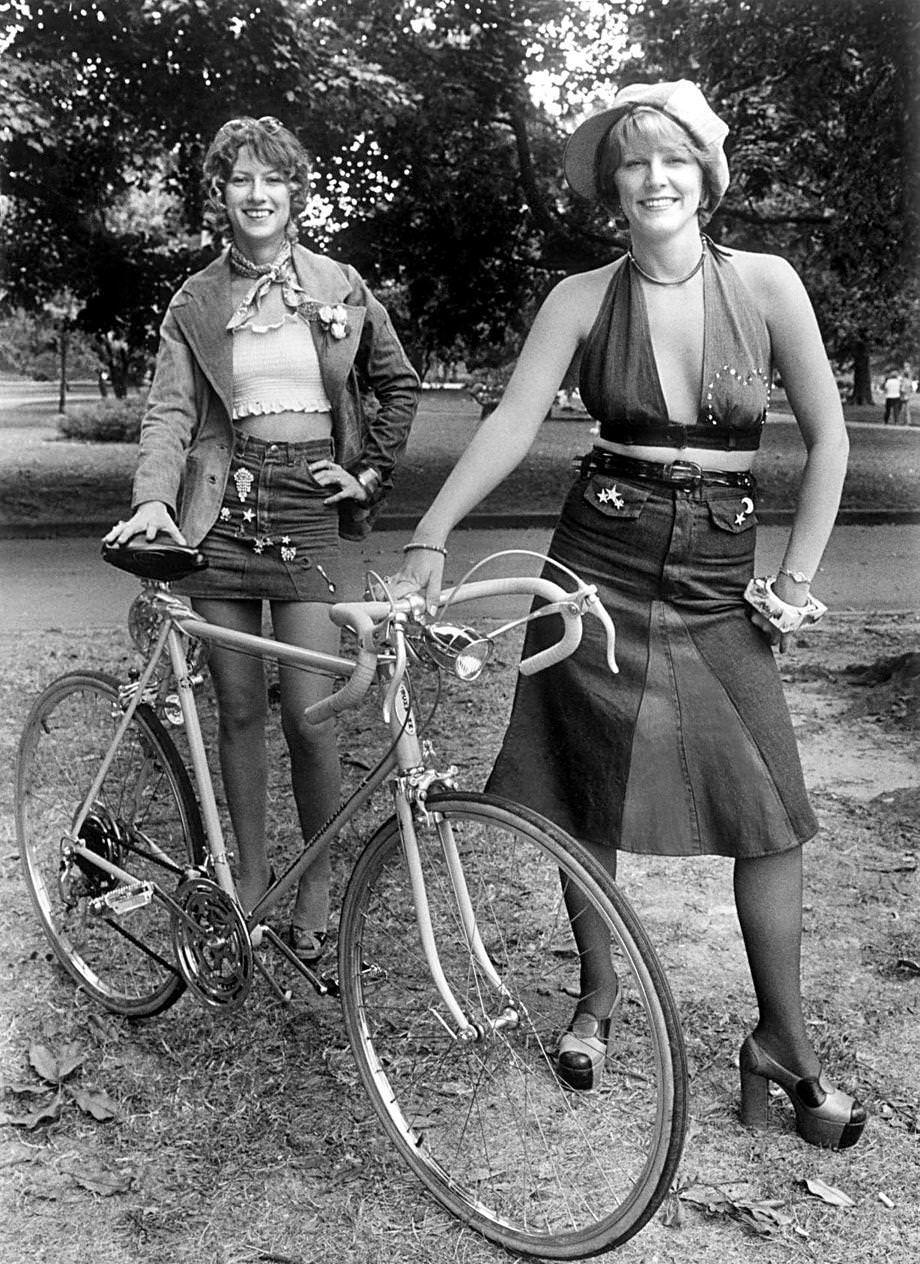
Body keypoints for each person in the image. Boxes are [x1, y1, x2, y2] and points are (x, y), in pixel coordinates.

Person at [396, 81, 865, 1149]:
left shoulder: (768, 284)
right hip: (596, 550)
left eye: (673, 159)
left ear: (705, 175)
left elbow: (828, 441)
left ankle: (780, 1041)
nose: (654, 178)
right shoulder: (576, 298)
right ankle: (597, 995)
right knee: (579, 779)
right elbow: (514, 423)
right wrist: (429, 533)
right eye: (633, 161)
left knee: (770, 805)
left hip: (717, 568)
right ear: (612, 185)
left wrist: (793, 580)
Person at [105, 116, 419, 963]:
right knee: (239, 709)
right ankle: (250, 880)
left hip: (311, 506)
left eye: (272, 180)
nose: (256, 195)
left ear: (294, 192)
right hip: (225, 507)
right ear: (221, 194)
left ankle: (313, 888)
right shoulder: (195, 301)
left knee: (312, 713)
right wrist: (151, 501)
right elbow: (171, 412)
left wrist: (370, 475)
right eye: (240, 180)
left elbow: (397, 385)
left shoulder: (339, 284)